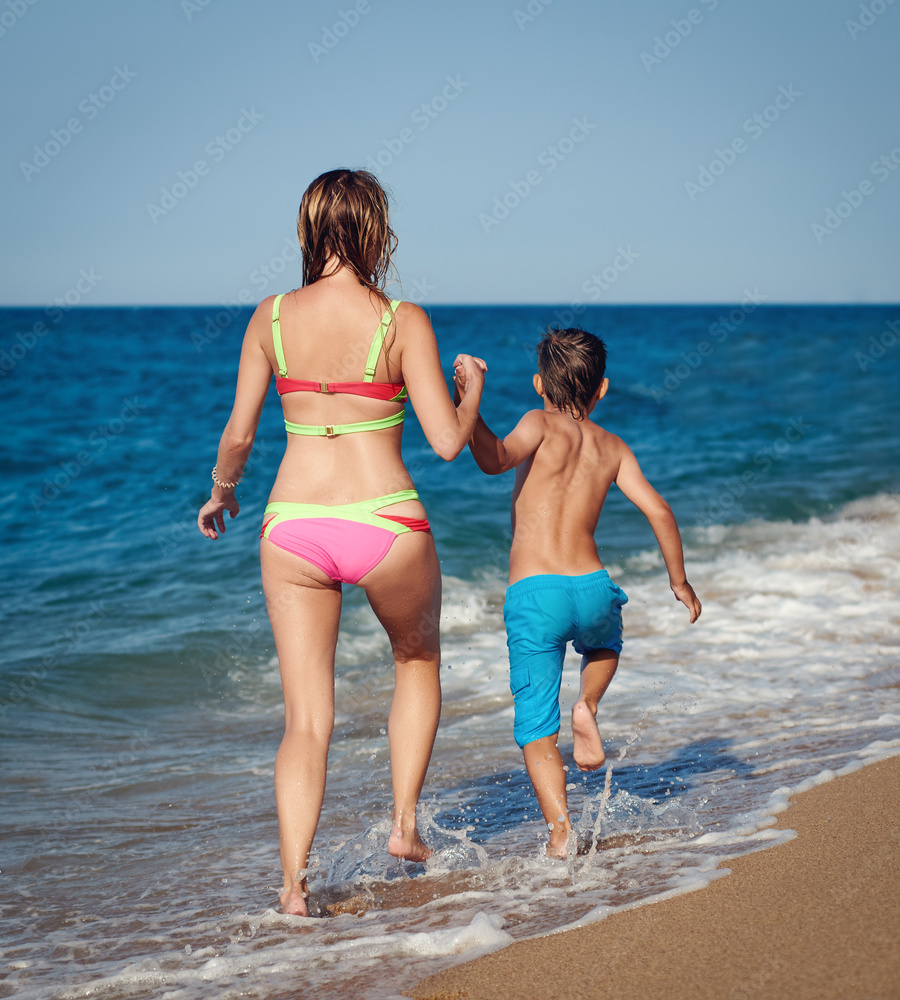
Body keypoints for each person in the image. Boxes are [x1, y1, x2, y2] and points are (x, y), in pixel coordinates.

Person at [197, 169, 486, 916]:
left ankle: (293, 886)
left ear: (307, 230)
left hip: (292, 527)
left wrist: (223, 492)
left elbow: (239, 435)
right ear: (375, 232)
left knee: (306, 721)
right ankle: (403, 825)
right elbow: (449, 443)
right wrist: (472, 389)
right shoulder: (403, 321)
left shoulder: (271, 318)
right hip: (387, 521)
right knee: (416, 658)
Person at [455, 327, 700, 858]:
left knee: (537, 725)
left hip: (534, 593)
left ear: (539, 383)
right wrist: (678, 580)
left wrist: (469, 407)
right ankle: (587, 704)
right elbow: (659, 509)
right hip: (591, 587)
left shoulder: (538, 424)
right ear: (603, 390)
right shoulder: (613, 447)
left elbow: (494, 458)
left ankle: (561, 829)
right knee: (605, 647)